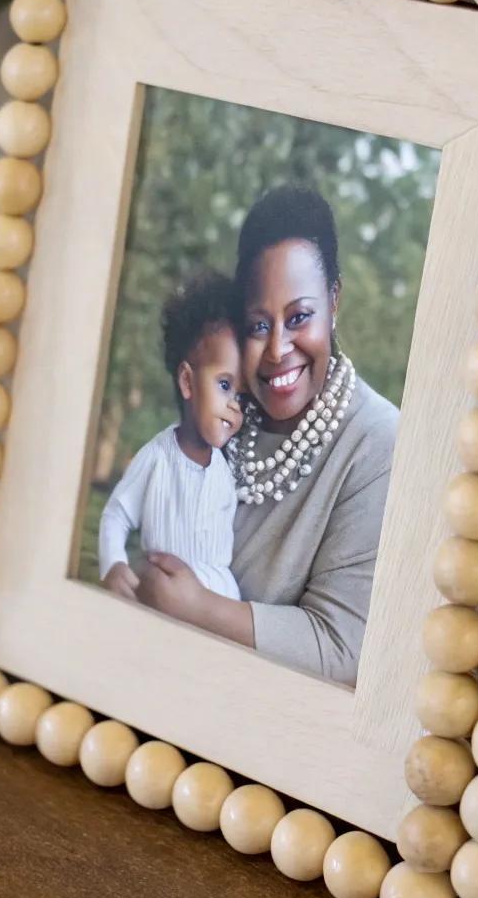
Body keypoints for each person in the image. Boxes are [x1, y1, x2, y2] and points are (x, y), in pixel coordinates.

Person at [137, 186, 399, 685]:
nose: (278, 349)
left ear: (335, 301)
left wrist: (199, 608)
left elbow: (343, 648)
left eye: (299, 317)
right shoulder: (226, 414)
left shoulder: (377, 443)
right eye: (259, 325)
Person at [99, 272, 244, 601]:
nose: (235, 405)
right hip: (161, 593)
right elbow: (115, 516)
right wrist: (114, 564)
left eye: (242, 395)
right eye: (225, 385)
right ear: (188, 382)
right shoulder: (158, 457)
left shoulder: (229, 470)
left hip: (219, 599)